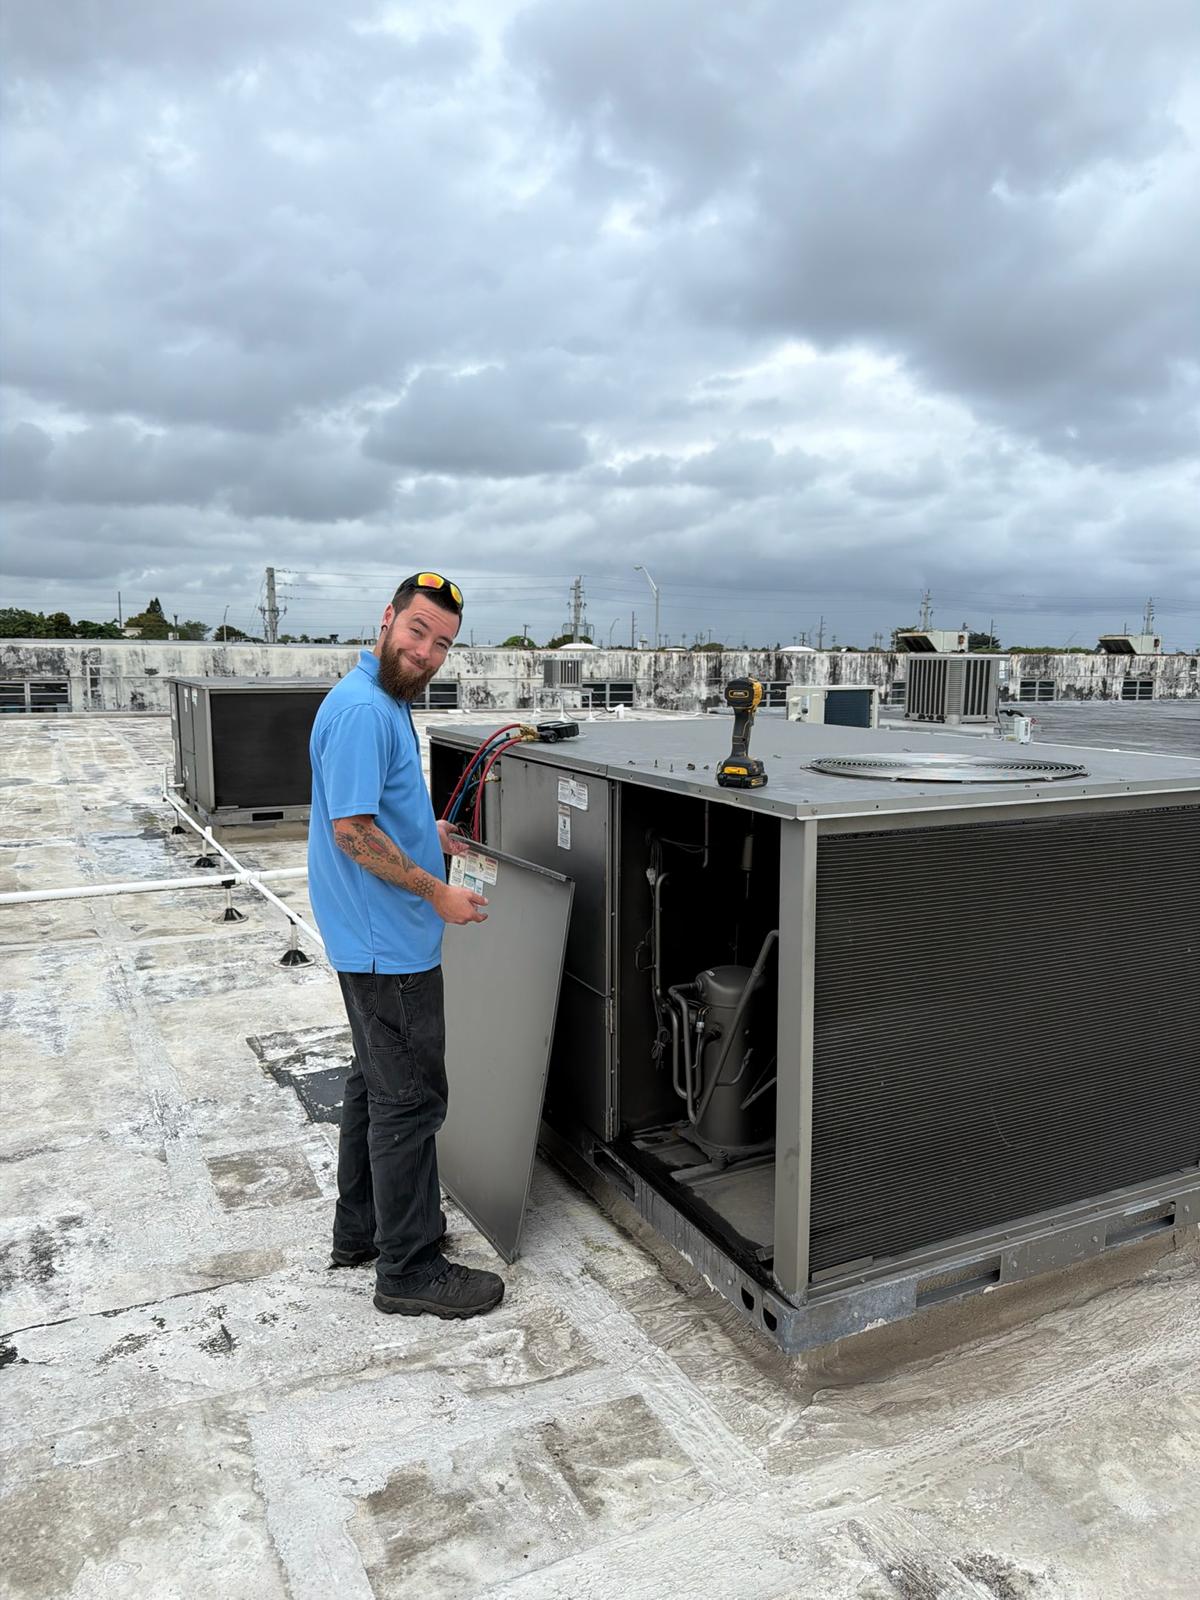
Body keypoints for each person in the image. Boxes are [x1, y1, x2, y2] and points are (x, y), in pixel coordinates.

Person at [307, 571, 503, 1319]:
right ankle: (410, 1269)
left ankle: (361, 1231)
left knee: (373, 1087)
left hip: (371, 940)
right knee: (410, 1103)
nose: (426, 653)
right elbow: (352, 833)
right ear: (386, 621)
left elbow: (375, 812)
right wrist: (438, 892)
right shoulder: (363, 710)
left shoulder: (377, 701)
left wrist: (432, 834)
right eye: (418, 631)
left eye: (442, 644)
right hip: (390, 948)